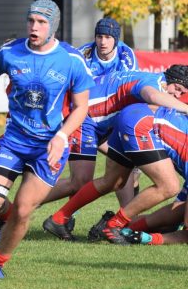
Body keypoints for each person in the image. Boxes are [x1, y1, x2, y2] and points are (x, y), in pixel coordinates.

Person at [0, 0, 94, 279]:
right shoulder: (10, 52)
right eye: (31, 21)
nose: (34, 27)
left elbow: (81, 107)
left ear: (53, 26)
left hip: (49, 147)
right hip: (14, 141)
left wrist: (62, 136)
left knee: (23, 210)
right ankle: (5, 219)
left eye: (41, 22)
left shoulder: (72, 60)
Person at [42, 64, 188, 241]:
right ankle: (23, 206)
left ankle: (59, 218)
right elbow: (152, 95)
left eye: (182, 93)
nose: (177, 95)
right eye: (177, 89)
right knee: (168, 186)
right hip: (85, 118)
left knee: (113, 181)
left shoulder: (149, 78)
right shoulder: (154, 83)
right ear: (168, 80)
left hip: (112, 122)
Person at [41, 18, 139, 225]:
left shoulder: (125, 55)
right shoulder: (83, 56)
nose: (102, 42)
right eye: (99, 36)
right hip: (84, 119)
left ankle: (127, 222)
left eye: (108, 37)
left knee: (125, 168)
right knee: (81, 180)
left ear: (116, 40)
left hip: (109, 120)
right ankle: (27, 203)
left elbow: (128, 89)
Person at [121, 103, 188, 245]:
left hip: (136, 119)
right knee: (170, 191)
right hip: (143, 125)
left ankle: (126, 227)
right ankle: (120, 225)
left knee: (175, 218)